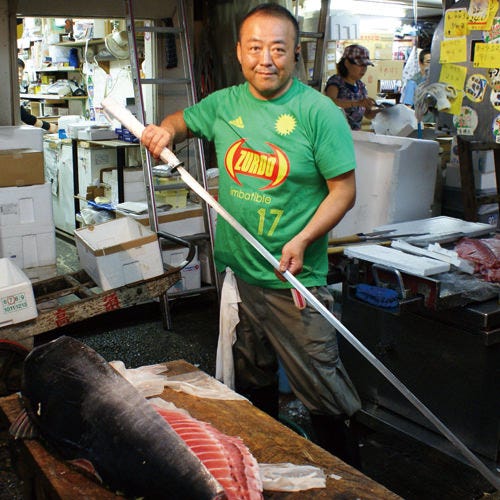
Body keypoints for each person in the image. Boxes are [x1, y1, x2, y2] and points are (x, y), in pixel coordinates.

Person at [142, 3, 362, 468]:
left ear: (295, 53)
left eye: (278, 49)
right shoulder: (225, 104)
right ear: (239, 52)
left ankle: (352, 481)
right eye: (256, 48)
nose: (267, 60)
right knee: (251, 381)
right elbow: (184, 120)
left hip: (293, 281)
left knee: (324, 393)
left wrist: (303, 239)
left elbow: (343, 192)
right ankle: (262, 470)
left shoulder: (320, 113)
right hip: (239, 278)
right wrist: (165, 131)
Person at [324, 45, 379, 130]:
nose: (363, 69)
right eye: (360, 65)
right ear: (347, 63)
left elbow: (367, 114)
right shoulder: (336, 81)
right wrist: (358, 102)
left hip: (355, 135)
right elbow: (330, 102)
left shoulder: (361, 86)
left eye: (365, 65)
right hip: (335, 133)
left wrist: (382, 111)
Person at [17, 58, 58, 134]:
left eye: (21, 71)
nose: (20, 75)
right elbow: (24, 116)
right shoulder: (8, 90)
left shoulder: (13, 89)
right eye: (16, 71)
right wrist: (48, 126)